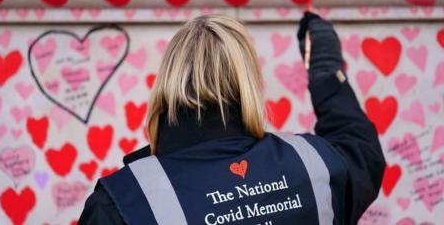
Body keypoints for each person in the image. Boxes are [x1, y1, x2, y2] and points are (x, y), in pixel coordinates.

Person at [78, 11, 386, 225]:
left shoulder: (123, 201)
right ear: (248, 81)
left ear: (167, 82)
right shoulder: (315, 166)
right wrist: (325, 65)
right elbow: (362, 148)